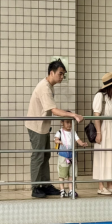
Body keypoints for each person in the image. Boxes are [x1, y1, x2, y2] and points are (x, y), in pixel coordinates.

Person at [26, 59, 84, 198]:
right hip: (36, 127)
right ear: (51, 73)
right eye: (60, 73)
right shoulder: (45, 88)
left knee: (45, 155)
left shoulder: (49, 86)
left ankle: (45, 185)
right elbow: (54, 110)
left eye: (63, 74)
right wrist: (72, 114)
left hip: (43, 126)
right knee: (38, 156)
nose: (62, 77)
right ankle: (36, 187)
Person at [93, 73, 112, 196]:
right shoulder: (100, 96)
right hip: (104, 129)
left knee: (111, 156)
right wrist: (98, 132)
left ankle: (110, 185)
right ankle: (101, 187)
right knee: (103, 155)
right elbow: (96, 115)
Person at [54, 114, 88, 198]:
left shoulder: (73, 132)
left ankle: (71, 190)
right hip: (63, 156)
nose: (69, 124)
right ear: (62, 122)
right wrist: (58, 141)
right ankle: (62, 190)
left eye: (70, 122)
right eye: (67, 122)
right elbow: (56, 139)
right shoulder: (60, 132)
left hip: (72, 156)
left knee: (71, 174)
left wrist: (82, 143)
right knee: (62, 174)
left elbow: (78, 140)